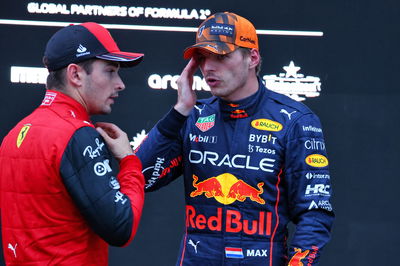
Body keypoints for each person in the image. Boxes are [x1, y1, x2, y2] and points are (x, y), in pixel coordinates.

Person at [136, 12, 334, 265]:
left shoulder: (295, 121)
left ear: (252, 57)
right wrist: (179, 111)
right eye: (202, 57)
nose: (208, 67)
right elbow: (140, 178)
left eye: (220, 56)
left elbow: (315, 213)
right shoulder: (192, 117)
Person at [0, 22, 145, 265]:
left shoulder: (15, 133)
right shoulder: (76, 134)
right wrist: (129, 162)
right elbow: (122, 226)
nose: (120, 83)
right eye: (110, 71)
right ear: (75, 74)